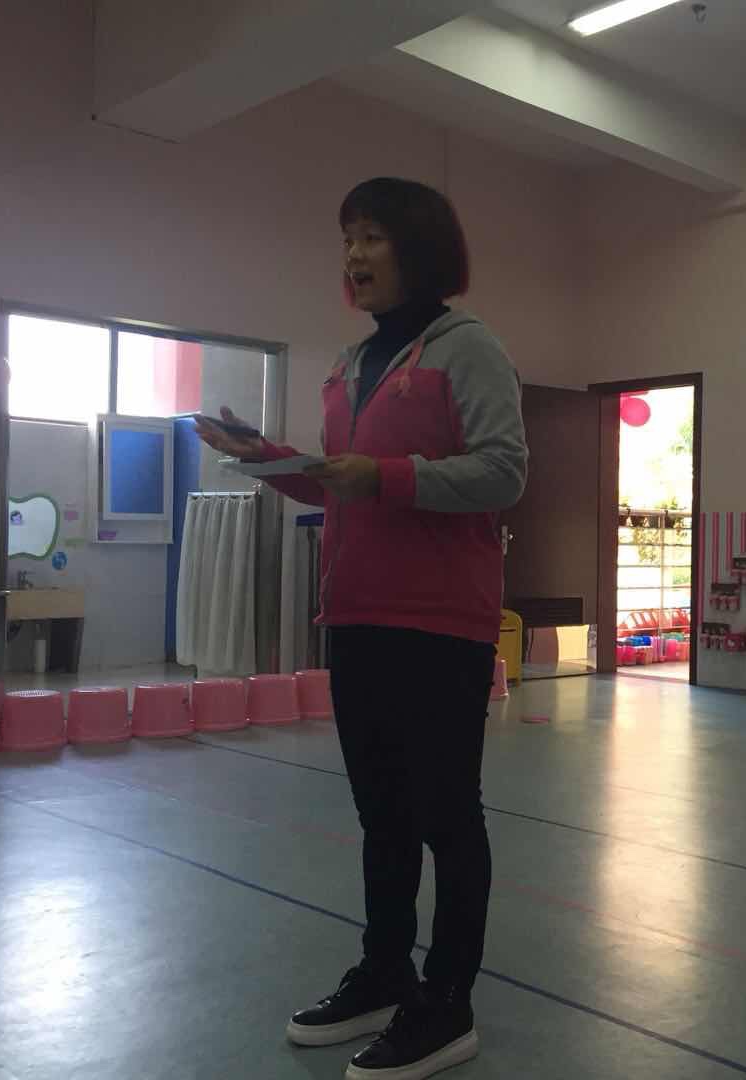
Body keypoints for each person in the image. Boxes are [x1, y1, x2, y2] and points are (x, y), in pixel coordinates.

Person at [196, 177, 527, 1079]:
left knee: (445, 813)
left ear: (418, 246)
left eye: (371, 235)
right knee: (381, 812)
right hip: (356, 613)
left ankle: (446, 1002)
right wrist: (269, 458)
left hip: (440, 623)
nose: (353, 254)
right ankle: (385, 972)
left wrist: (385, 475)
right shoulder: (349, 364)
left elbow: (504, 472)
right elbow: (341, 480)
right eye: (347, 237)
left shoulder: (469, 349)